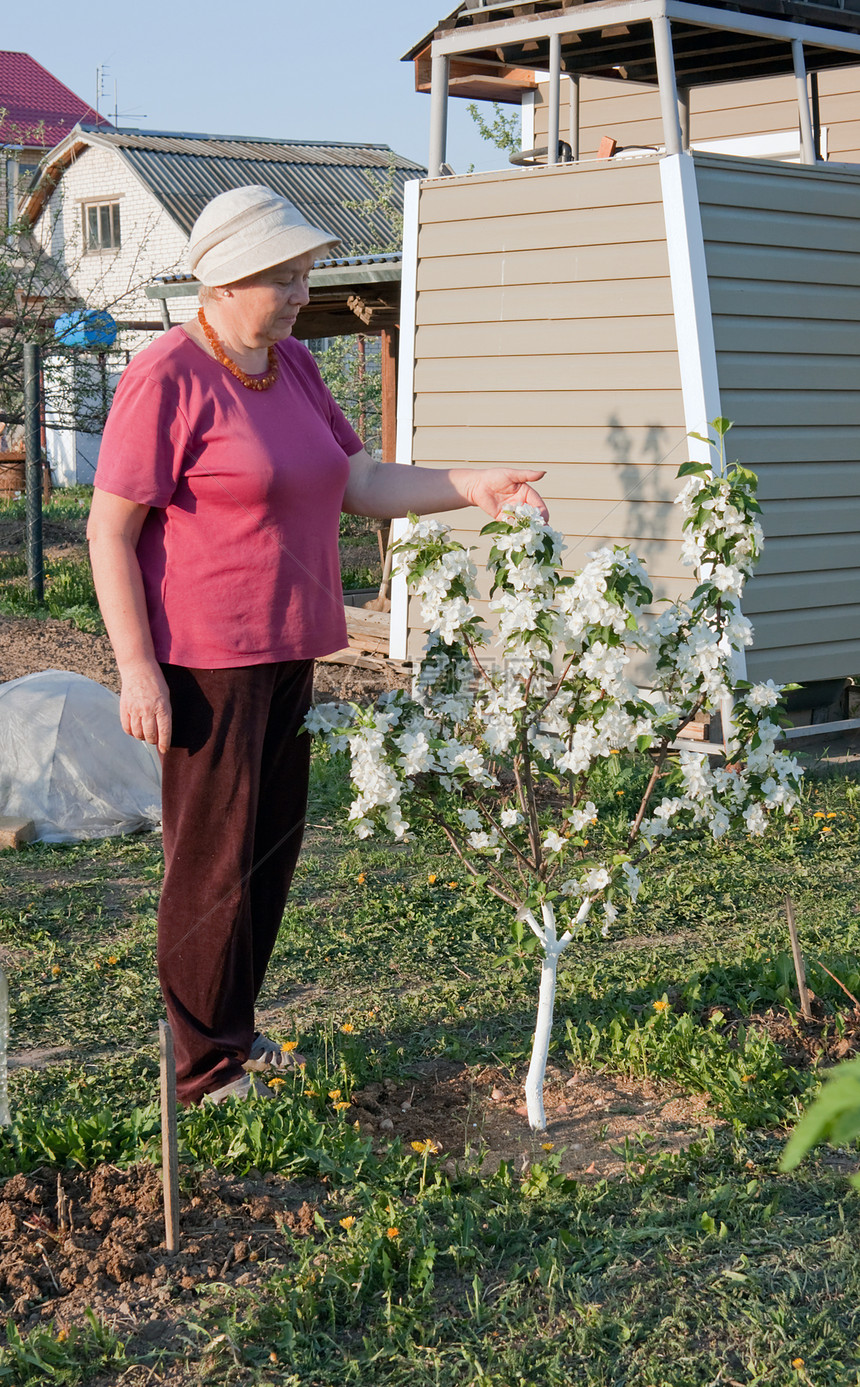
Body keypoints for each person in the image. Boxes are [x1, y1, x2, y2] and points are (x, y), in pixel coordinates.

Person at [87, 184, 547, 1105]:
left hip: (289, 649)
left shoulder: (290, 367)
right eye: (287, 278)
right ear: (225, 279)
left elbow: (361, 479)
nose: (303, 293)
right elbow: (108, 529)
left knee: (267, 851)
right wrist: (137, 669)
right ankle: (202, 1066)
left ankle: (235, 1032)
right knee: (212, 860)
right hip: (206, 665)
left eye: (304, 274)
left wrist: (470, 483)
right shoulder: (168, 374)